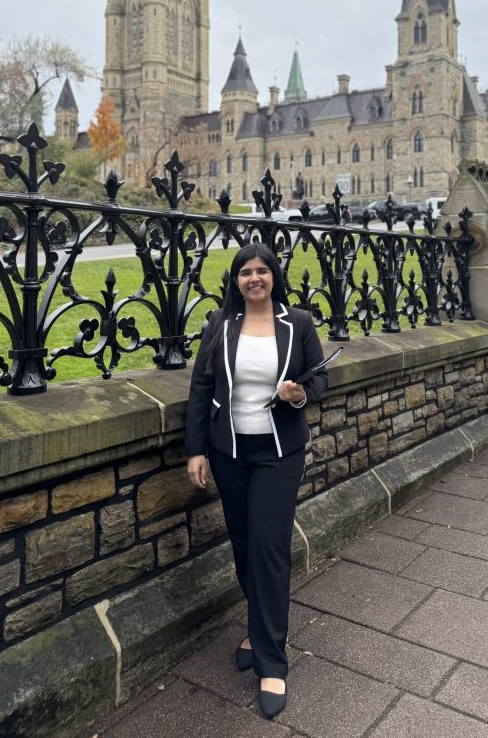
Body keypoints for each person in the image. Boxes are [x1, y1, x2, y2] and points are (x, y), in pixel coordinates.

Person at [185, 243, 328, 719]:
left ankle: (272, 662)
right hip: (230, 453)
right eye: (245, 272)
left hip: (278, 453)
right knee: (244, 546)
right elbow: (202, 387)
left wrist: (298, 392)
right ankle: (258, 626)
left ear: (274, 276)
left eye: (261, 270)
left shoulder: (299, 323)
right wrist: (196, 449)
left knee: (269, 550)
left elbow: (321, 378)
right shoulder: (219, 326)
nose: (253, 278)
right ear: (236, 280)